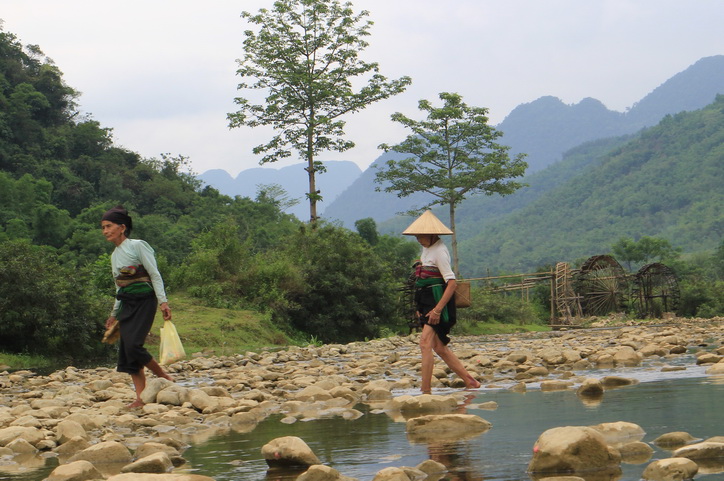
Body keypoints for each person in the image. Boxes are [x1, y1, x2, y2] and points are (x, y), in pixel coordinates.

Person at [101, 205, 173, 408]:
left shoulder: (138, 246)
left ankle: (163, 376)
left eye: (109, 226)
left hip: (144, 301)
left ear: (122, 227)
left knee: (134, 345)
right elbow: (120, 287)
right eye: (103, 227)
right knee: (127, 349)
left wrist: (163, 302)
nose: (105, 231)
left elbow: (154, 274)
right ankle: (141, 398)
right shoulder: (114, 256)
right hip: (127, 304)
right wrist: (114, 314)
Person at [403, 210, 481, 394]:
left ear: (431, 234)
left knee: (424, 343)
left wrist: (437, 310)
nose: (417, 239)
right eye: (416, 235)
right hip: (425, 301)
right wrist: (419, 307)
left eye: (420, 235)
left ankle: (425, 390)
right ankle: (471, 382)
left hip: (437, 303)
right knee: (438, 347)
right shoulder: (427, 248)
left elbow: (451, 283)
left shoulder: (440, 251)